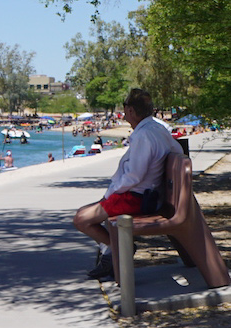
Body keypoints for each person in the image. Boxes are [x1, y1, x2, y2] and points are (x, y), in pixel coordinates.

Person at [72, 88, 184, 280]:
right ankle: (110, 254)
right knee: (87, 211)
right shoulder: (158, 129)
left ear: (131, 110)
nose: (124, 115)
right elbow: (178, 150)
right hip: (148, 194)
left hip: (136, 197)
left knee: (81, 219)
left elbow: (134, 176)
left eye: (125, 110)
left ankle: (120, 250)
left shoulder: (143, 136)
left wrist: (110, 193)